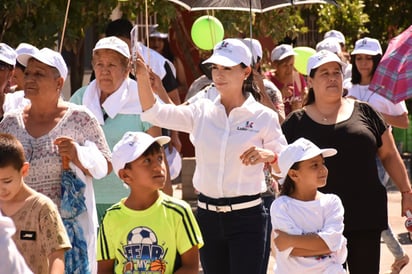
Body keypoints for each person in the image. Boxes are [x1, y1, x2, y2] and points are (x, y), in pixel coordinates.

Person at [135, 38, 288, 274]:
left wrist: (270, 156)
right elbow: (155, 114)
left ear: (246, 72)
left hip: (248, 218)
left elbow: (285, 168)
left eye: (227, 68)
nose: (219, 74)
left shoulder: (264, 117)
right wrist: (143, 80)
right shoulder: (201, 109)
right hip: (207, 217)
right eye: (215, 67)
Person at [281, 49, 412, 274]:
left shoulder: (366, 112)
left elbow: (389, 154)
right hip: (316, 224)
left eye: (336, 72)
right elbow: (283, 168)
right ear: (310, 81)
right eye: (324, 73)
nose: (332, 77)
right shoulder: (295, 123)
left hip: (365, 216)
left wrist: (407, 193)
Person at [0, 47, 112, 274]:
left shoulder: (80, 118)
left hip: (67, 233)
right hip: (20, 229)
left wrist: (78, 155)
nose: (29, 79)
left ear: (59, 83)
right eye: (28, 73)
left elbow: (106, 165)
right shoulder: (10, 123)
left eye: (39, 74)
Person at [70, 36, 173, 221]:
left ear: (127, 70)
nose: (104, 71)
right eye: (99, 64)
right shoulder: (80, 99)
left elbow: (158, 154)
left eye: (112, 65)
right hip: (87, 199)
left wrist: (168, 205)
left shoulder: (143, 98)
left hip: (133, 202)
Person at [97, 131, 203, 273]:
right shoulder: (111, 218)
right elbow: (104, 270)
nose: (158, 166)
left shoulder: (179, 211)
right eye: (147, 161)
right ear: (125, 175)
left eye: (159, 158)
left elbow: (191, 267)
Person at [346, 37, 409, 274]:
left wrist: (375, 113)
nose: (363, 63)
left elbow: (403, 120)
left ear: (377, 60)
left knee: (367, 211)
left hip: (378, 158)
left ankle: (397, 254)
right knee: (363, 211)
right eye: (359, 58)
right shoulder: (347, 88)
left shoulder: (388, 90)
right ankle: (399, 255)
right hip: (349, 158)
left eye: (368, 58)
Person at [270, 137, 347, 273]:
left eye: (323, 163)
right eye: (314, 165)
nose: (323, 169)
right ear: (293, 174)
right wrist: (327, 244)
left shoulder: (332, 202)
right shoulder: (281, 206)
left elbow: (331, 243)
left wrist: (290, 239)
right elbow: (292, 250)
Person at [0, 133, 72, 273]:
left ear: (24, 170)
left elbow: (57, 255)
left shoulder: (42, 207)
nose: (1, 188)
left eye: (7, 181)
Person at [265, 44, 307, 116]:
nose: (289, 69)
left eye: (291, 64)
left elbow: (306, 102)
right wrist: (279, 95)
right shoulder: (268, 81)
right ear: (275, 65)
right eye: (285, 65)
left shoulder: (298, 77)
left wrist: (300, 107)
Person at [149, 28, 189, 98]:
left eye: (159, 40)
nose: (156, 43)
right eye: (152, 40)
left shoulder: (174, 61)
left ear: (165, 42)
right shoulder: (144, 60)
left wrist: (164, 92)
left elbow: (184, 86)